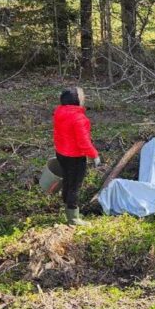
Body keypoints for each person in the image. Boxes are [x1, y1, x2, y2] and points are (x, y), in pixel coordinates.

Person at [53, 87, 100, 226]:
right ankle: (73, 218)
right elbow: (83, 142)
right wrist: (94, 155)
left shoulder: (59, 112)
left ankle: (67, 209)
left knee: (67, 181)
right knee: (74, 185)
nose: (84, 98)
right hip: (75, 157)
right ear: (75, 99)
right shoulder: (79, 118)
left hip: (61, 153)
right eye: (82, 96)